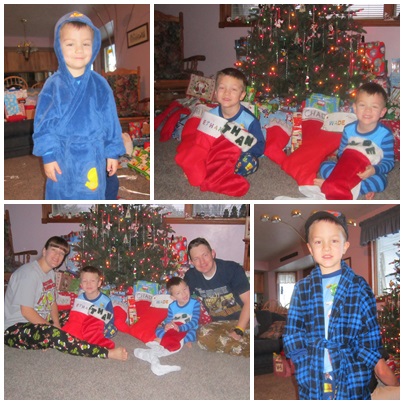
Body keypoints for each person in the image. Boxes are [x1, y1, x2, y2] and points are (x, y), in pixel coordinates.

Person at [283, 211, 381, 399]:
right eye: (318, 242)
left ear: (345, 246)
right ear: (310, 248)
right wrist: (301, 361)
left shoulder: (360, 286)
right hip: (313, 368)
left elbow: (370, 332)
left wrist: (363, 364)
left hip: (350, 369)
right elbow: (293, 330)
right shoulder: (302, 288)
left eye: (334, 241)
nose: (326, 247)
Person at [33, 11, 125, 200]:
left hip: (93, 153)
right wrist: (48, 156)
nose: (79, 50)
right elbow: (43, 125)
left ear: (94, 46)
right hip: (62, 153)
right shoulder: (52, 85)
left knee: (93, 194)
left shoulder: (100, 85)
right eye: (70, 44)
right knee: (60, 192)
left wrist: (112, 153)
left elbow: (111, 122)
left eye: (85, 44)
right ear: (59, 47)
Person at [4, 236, 127, 361]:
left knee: (80, 311)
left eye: (62, 253)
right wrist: (53, 329)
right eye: (54, 250)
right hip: (16, 328)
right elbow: (26, 312)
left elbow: (52, 302)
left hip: (42, 319)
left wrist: (56, 324)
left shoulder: (50, 273)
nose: (57, 256)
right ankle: (106, 352)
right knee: (54, 334)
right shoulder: (28, 274)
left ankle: (94, 331)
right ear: (44, 251)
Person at [315, 82, 394, 200]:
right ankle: (342, 184)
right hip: (348, 169)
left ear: (382, 112)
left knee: (380, 182)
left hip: (369, 172)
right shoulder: (348, 129)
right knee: (324, 166)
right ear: (355, 108)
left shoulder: (385, 134)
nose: (368, 110)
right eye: (362, 105)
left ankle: (338, 185)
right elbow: (341, 153)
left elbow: (389, 162)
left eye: (374, 107)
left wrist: (374, 169)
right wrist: (346, 166)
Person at [184, 237, 250, 357]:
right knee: (202, 337)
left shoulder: (232, 269)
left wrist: (239, 330)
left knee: (249, 337)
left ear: (213, 253)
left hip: (244, 320)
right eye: (196, 259)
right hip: (219, 324)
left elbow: (249, 302)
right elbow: (184, 301)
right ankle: (239, 346)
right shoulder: (191, 276)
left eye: (205, 255)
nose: (202, 262)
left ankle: (241, 344)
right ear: (191, 262)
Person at [211, 67, 265, 176]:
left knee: (249, 162)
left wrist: (243, 152)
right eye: (222, 88)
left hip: (238, 155)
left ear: (242, 95)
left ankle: (231, 175)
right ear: (215, 92)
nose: (227, 93)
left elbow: (260, 145)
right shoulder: (210, 115)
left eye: (233, 89)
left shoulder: (249, 120)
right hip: (217, 154)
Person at [62, 266, 117, 341]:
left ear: (99, 283)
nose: (88, 284)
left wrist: (105, 327)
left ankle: (92, 337)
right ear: (81, 284)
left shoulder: (106, 301)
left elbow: (110, 319)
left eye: (92, 281)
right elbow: (76, 316)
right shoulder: (80, 299)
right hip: (84, 324)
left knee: (111, 329)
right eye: (85, 281)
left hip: (98, 326)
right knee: (69, 324)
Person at [155, 277, 200, 349]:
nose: (184, 294)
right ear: (173, 297)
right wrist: (167, 326)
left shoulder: (195, 303)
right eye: (178, 293)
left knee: (194, 334)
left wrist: (181, 328)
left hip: (189, 328)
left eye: (185, 289)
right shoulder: (171, 306)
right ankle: (177, 340)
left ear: (188, 288)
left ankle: (173, 341)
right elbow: (169, 320)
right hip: (175, 327)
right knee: (158, 330)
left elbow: (194, 321)